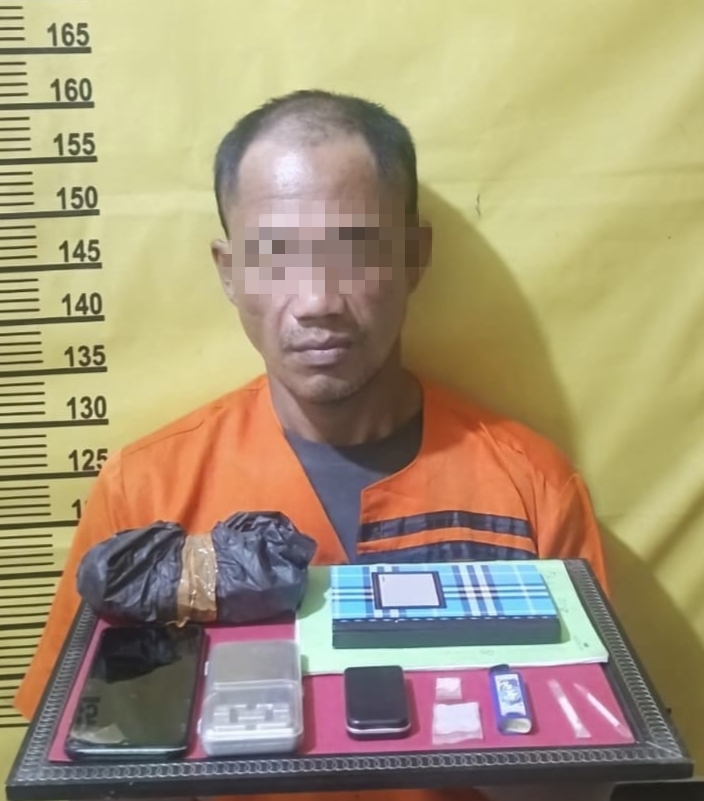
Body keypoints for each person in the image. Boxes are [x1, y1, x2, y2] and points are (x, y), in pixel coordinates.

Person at [14, 89, 608, 801]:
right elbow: (77, 765)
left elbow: (593, 761)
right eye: (275, 256)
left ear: (415, 256)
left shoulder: (531, 489)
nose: (319, 300)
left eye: (356, 251)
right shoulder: (146, 492)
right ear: (229, 271)